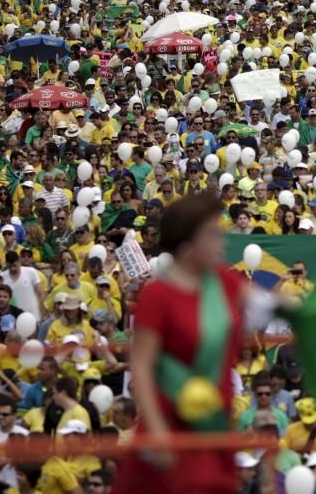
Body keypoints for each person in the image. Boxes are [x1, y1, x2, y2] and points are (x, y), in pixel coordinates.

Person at [117, 193, 245, 493]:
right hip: (172, 429)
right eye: (213, 234)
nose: (222, 242)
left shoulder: (223, 281)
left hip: (213, 427)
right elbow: (142, 367)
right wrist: (159, 432)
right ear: (188, 240)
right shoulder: (156, 296)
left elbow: (271, 305)